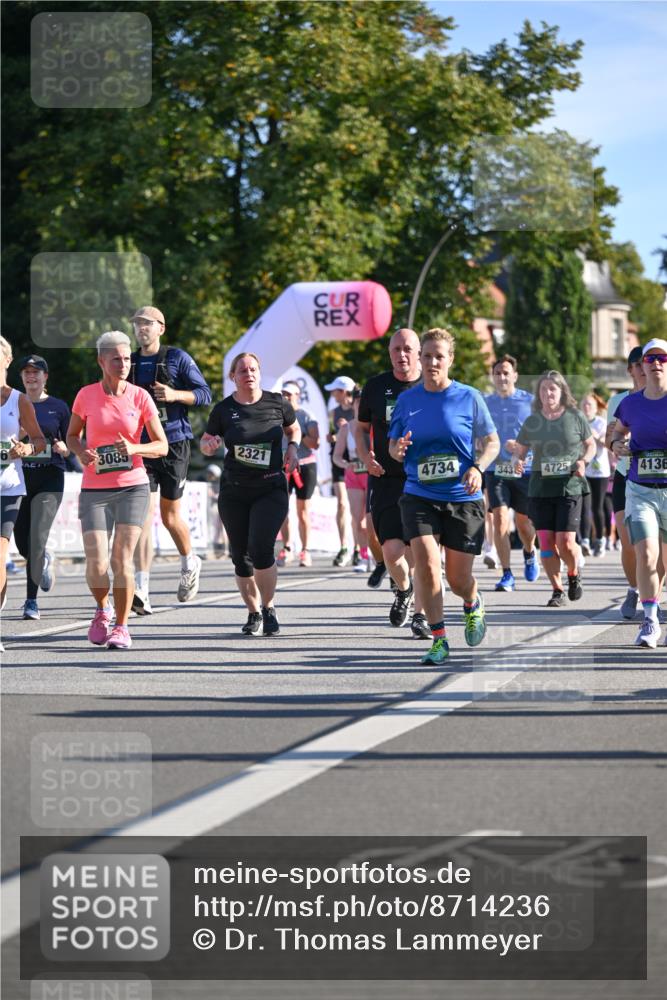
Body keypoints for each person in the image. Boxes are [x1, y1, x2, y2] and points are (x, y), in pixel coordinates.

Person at [389, 328, 499, 665]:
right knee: (425, 564)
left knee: (458, 578)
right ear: (420, 359)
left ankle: (472, 601)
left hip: (462, 496)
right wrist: (398, 449)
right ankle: (438, 639)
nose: (433, 362)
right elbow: (393, 448)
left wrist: (477, 467)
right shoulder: (407, 400)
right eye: (427, 356)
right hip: (419, 493)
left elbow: (492, 442)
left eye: (440, 356)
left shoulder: (469, 397)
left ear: (450, 360)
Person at [66, 332, 168, 650]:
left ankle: (122, 627)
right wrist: (81, 452)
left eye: (127, 358)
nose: (123, 364)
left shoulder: (140, 397)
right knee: (96, 560)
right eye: (116, 359)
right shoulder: (86, 395)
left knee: (121, 558)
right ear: (101, 361)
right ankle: (102, 609)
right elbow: (72, 435)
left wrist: (135, 446)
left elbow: (162, 445)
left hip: (132, 486)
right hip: (95, 487)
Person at [200, 352, 300, 636]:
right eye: (242, 370)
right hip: (234, 490)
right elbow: (207, 440)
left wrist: (293, 448)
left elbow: (293, 429)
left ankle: (269, 608)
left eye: (253, 369)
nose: (249, 374)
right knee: (240, 556)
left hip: (270, 487)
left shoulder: (277, 402)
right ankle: (253, 612)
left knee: (261, 548)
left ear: (259, 372)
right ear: (234, 376)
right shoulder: (223, 410)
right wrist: (209, 445)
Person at [128, 306, 212, 614]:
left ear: (161, 328)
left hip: (175, 443)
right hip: (143, 446)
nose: (141, 329)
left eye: (147, 324)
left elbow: (205, 393)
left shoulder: (177, 358)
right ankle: (142, 588)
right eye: (137, 325)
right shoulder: (130, 361)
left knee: (170, 517)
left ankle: (190, 561)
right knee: (142, 517)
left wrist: (175, 395)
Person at [355, 327, 430, 637]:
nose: (402, 355)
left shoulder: (432, 386)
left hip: (425, 480)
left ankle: (423, 616)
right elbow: (360, 429)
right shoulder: (375, 387)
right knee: (392, 551)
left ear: (419, 354)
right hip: (386, 478)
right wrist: (366, 456)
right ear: (390, 354)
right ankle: (404, 589)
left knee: (423, 551)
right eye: (396, 349)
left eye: (408, 349)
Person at [514, 371, 595, 608]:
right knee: (547, 544)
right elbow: (519, 450)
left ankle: (573, 572)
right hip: (540, 488)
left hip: (569, 486)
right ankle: (557, 589)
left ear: (561, 392)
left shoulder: (575, 417)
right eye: (543, 389)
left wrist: (583, 461)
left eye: (552, 389)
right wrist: (517, 460)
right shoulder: (533, 421)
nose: (548, 393)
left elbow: (590, 446)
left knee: (566, 542)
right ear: (538, 394)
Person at [611, 338, 667, 648]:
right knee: (646, 553)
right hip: (640, 489)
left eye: (663, 358)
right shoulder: (630, 403)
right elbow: (618, 433)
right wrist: (616, 444)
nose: (656, 363)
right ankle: (650, 620)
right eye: (650, 359)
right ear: (642, 366)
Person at [13, 355, 71, 620]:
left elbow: (73, 442)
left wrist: (64, 448)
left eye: (37, 372)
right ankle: (44, 557)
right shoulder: (12, 403)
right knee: (23, 543)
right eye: (26, 372)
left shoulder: (58, 407)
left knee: (36, 538)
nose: (31, 377)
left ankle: (31, 601)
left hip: (50, 478)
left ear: (46, 377)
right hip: (19, 478)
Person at [1, 337, 46, 651]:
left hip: (8, 488)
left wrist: (26, 448)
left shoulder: (18, 400)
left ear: (6, 361)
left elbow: (40, 441)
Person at [483, 354, 540, 592]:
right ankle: (507, 574)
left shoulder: (530, 402)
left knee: (525, 524)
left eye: (506, 372)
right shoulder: (485, 403)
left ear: (515, 376)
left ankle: (529, 551)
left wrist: (522, 450)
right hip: (496, 470)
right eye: (497, 373)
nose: (502, 377)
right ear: (493, 377)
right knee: (500, 519)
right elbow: (478, 433)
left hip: (523, 470)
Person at [605, 346, 652, 619]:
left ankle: (653, 593)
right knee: (627, 540)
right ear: (630, 369)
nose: (643, 368)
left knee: (654, 543)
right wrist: (617, 445)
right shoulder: (618, 401)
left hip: (656, 477)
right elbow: (608, 438)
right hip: (626, 473)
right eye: (638, 363)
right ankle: (633, 588)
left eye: (648, 362)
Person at [276, 381, 320, 568]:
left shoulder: (306, 415)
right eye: (283, 394)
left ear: (297, 396)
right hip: (284, 466)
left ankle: (305, 550)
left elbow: (315, 443)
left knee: (302, 511)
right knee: (282, 509)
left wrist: (294, 432)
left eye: (289, 395)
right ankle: (287, 547)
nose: (285, 398)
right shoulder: (275, 416)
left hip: (304, 466)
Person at [333, 387, 371, 572]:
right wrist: (346, 464)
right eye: (358, 401)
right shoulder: (346, 427)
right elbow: (337, 456)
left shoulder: (375, 425)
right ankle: (364, 557)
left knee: (373, 521)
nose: (361, 405)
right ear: (353, 403)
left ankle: (381, 556)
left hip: (374, 474)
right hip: (354, 474)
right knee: (358, 520)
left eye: (365, 401)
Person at [325, 375, 355, 566]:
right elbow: (332, 436)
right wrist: (333, 438)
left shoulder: (358, 408)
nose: (333, 394)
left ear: (343, 392)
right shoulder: (333, 412)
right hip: (338, 459)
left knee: (359, 509)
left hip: (357, 461)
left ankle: (361, 549)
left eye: (335, 391)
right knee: (342, 504)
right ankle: (344, 547)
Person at [579, 392, 611, 557]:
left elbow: (607, 444)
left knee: (596, 506)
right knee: (584, 506)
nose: (586, 407)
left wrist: (594, 435)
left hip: (600, 471)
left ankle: (599, 539)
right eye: (583, 404)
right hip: (583, 469)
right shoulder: (578, 422)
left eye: (589, 405)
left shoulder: (601, 423)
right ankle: (584, 540)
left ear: (596, 408)